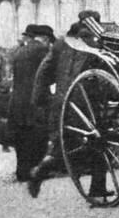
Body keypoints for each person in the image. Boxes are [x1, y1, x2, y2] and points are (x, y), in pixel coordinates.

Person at [28, 11, 109, 199]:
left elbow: (43, 71)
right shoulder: (96, 43)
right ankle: (95, 186)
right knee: (98, 141)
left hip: (64, 102)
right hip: (88, 102)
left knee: (64, 144)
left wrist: (40, 99)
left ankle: (42, 169)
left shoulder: (61, 43)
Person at [9, 25, 53, 181]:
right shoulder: (42, 50)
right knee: (38, 136)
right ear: (46, 39)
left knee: (21, 136)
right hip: (35, 100)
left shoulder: (18, 51)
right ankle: (37, 170)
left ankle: (21, 171)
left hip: (17, 100)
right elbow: (49, 73)